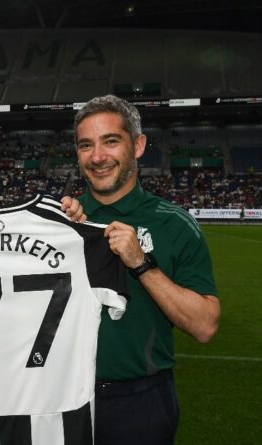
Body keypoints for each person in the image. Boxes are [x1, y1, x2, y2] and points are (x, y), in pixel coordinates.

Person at [61, 95, 221, 445]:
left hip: (140, 401)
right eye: (86, 145)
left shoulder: (174, 224)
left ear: (138, 146)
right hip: (59, 397)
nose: (97, 157)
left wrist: (141, 262)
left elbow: (205, 326)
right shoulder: (60, 221)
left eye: (111, 141)